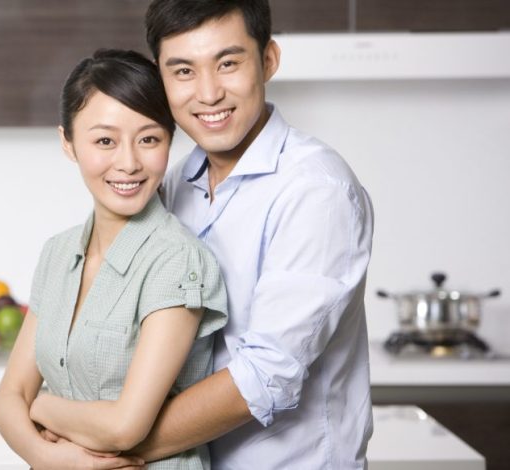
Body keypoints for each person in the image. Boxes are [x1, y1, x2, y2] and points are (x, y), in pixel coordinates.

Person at [121, 1, 375, 468]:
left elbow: (264, 377)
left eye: (228, 63)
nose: (208, 93)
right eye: (183, 71)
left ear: (269, 60)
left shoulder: (315, 189)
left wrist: (115, 445)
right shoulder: (175, 184)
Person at [0, 48, 229, 470]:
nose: (129, 163)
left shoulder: (176, 260)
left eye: (149, 139)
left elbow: (125, 426)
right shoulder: (58, 254)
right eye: (105, 140)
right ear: (68, 143)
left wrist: (43, 407)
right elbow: (7, 399)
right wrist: (50, 458)